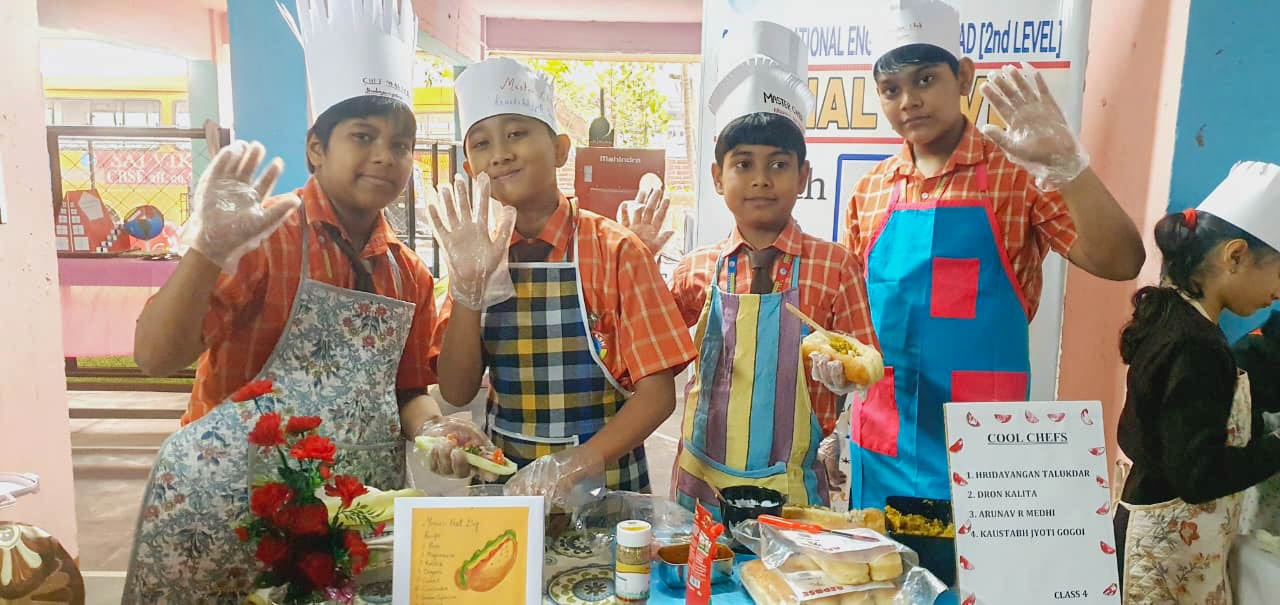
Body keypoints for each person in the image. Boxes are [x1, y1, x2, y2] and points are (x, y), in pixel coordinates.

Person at [124, 2, 487, 600]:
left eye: (401, 144)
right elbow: (154, 357)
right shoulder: (259, 237)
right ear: (316, 148)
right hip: (230, 508)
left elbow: (407, 393)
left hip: (349, 520)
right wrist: (206, 251)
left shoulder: (408, 273)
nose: (385, 156)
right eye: (363, 136)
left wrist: (435, 430)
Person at [840, 0, 1145, 510]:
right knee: (881, 563)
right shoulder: (870, 190)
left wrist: (1068, 168)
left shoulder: (1017, 174)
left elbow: (1122, 261)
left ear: (963, 76)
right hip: (884, 439)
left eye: (925, 79)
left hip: (986, 444)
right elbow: (854, 323)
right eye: (891, 89)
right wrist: (836, 390)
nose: (909, 101)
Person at [626, 21, 879, 518]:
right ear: (718, 177)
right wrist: (640, 264)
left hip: (794, 489)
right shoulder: (696, 269)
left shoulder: (836, 267)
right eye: (743, 164)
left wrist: (843, 377)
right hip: (700, 483)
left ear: (803, 176)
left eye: (778, 165)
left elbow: (866, 362)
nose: (761, 180)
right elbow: (649, 359)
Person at [428, 58, 697, 504]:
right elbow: (456, 392)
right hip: (506, 491)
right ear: (470, 165)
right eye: (481, 143)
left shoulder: (616, 251)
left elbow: (657, 396)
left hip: (608, 493)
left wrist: (578, 463)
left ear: (560, 150)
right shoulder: (475, 253)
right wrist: (468, 292)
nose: (500, 154)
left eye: (517, 133)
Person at [1114, 162, 1280, 604]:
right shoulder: (1196, 345)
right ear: (1236, 256)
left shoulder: (1176, 319)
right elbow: (1198, 475)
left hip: (1166, 541)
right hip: (1163, 557)